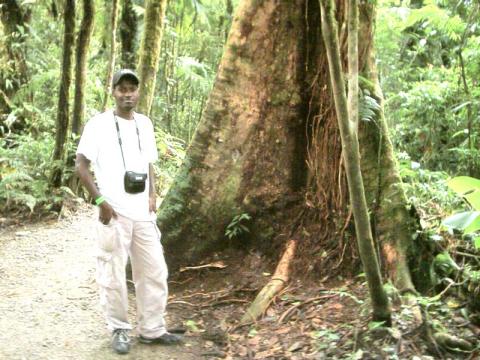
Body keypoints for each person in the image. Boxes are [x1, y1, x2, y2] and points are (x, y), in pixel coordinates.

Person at [75, 69, 182, 354]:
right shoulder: (98, 125)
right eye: (122, 88)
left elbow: (149, 163)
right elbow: (81, 166)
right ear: (113, 91)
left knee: (155, 269)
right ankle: (119, 329)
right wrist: (100, 202)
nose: (127, 94)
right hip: (114, 213)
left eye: (132, 89)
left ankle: (152, 329)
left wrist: (152, 193)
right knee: (112, 273)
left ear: (138, 92)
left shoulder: (144, 124)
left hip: (143, 213)